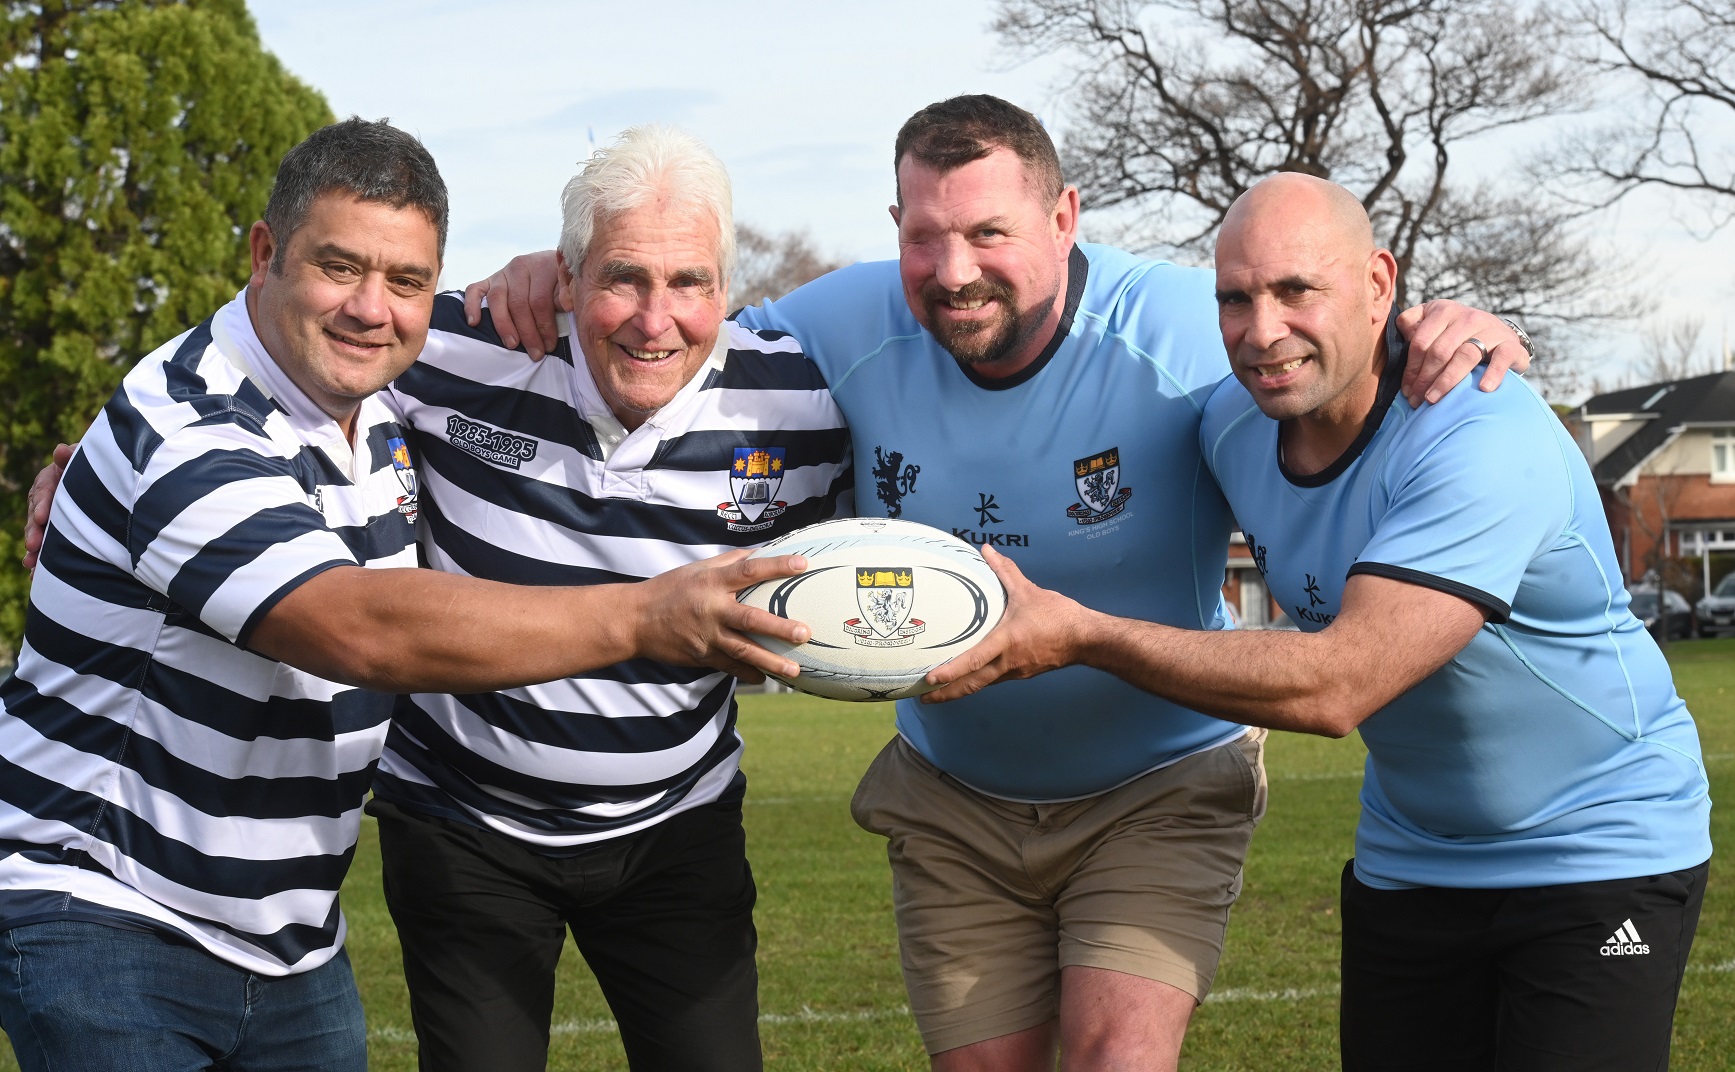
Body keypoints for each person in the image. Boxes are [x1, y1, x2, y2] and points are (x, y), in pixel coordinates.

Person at [466, 95, 1533, 1072]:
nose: (952, 267)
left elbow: (1321, 347)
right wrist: (550, 273)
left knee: (1119, 1055)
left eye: (988, 233)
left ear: (1064, 217)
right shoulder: (837, 325)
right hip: (953, 799)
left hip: (1157, 784)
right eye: (923, 235)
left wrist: (1443, 331)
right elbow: (669, 335)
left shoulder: (1182, 333)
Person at [0, 118, 809, 1072]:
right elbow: (355, 628)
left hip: (291, 939)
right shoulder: (184, 424)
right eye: (339, 267)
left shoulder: (379, 409)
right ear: (265, 255)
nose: (371, 310)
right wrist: (645, 614)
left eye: (408, 282)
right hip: (107, 908)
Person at [926, 172, 1711, 1072]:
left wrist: (1081, 635)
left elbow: (1340, 682)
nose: (1262, 332)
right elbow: (1067, 461)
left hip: (1596, 845)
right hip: (1411, 859)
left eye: (1297, 290)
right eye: (1234, 298)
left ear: (1380, 284)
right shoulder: (1228, 423)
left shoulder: (1481, 436)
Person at [367, 126, 850, 1072]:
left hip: (678, 826)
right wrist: (99, 466)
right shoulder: (457, 349)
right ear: (569, 274)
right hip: (461, 820)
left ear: (728, 283)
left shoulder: (801, 410)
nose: (654, 320)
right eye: (624, 278)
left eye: (690, 283)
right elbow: (279, 377)